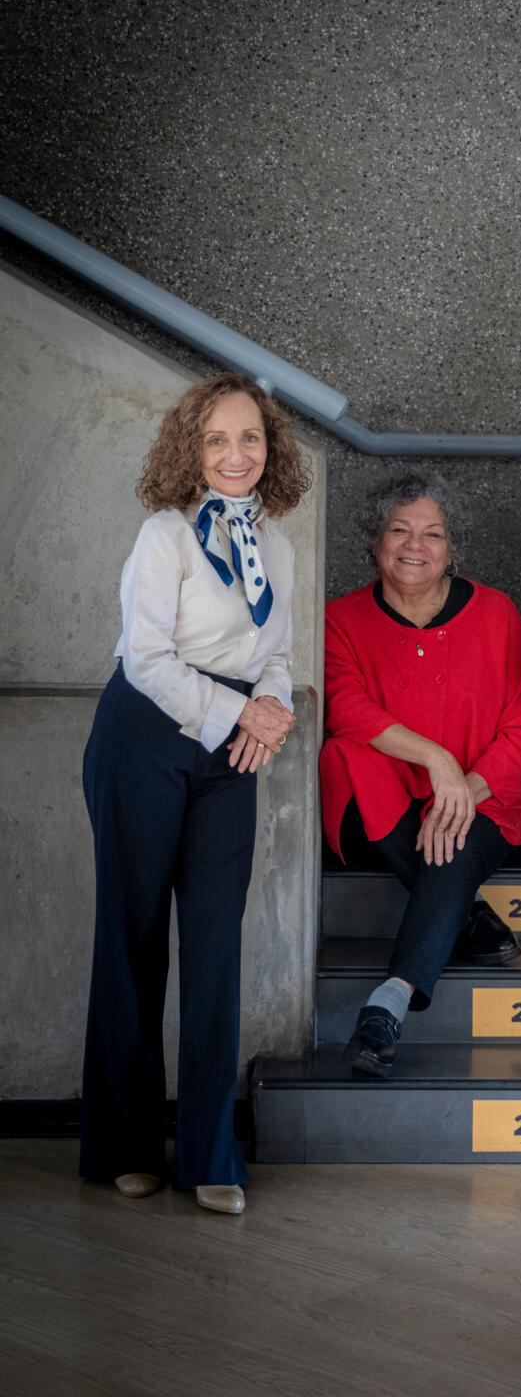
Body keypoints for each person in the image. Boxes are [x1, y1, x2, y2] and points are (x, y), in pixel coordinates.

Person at [81, 373, 311, 1214]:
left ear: (270, 448)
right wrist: (234, 711)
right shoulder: (164, 536)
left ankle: (211, 1153)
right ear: (192, 448)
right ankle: (124, 1146)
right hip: (144, 737)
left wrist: (274, 712)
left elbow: (275, 654)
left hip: (230, 753)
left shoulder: (279, 547)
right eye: (217, 439)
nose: (236, 454)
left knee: (215, 950)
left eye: (250, 438)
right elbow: (145, 659)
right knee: (132, 942)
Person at [320, 473, 521, 1078]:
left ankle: (388, 1003)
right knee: (344, 755)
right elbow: (344, 709)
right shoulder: (339, 620)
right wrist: (438, 762)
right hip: (392, 800)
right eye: (398, 530)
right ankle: (465, 907)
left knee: (453, 832)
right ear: (374, 541)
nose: (414, 545)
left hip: (487, 798)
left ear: (453, 547)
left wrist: (465, 790)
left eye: (433, 533)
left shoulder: (496, 614)